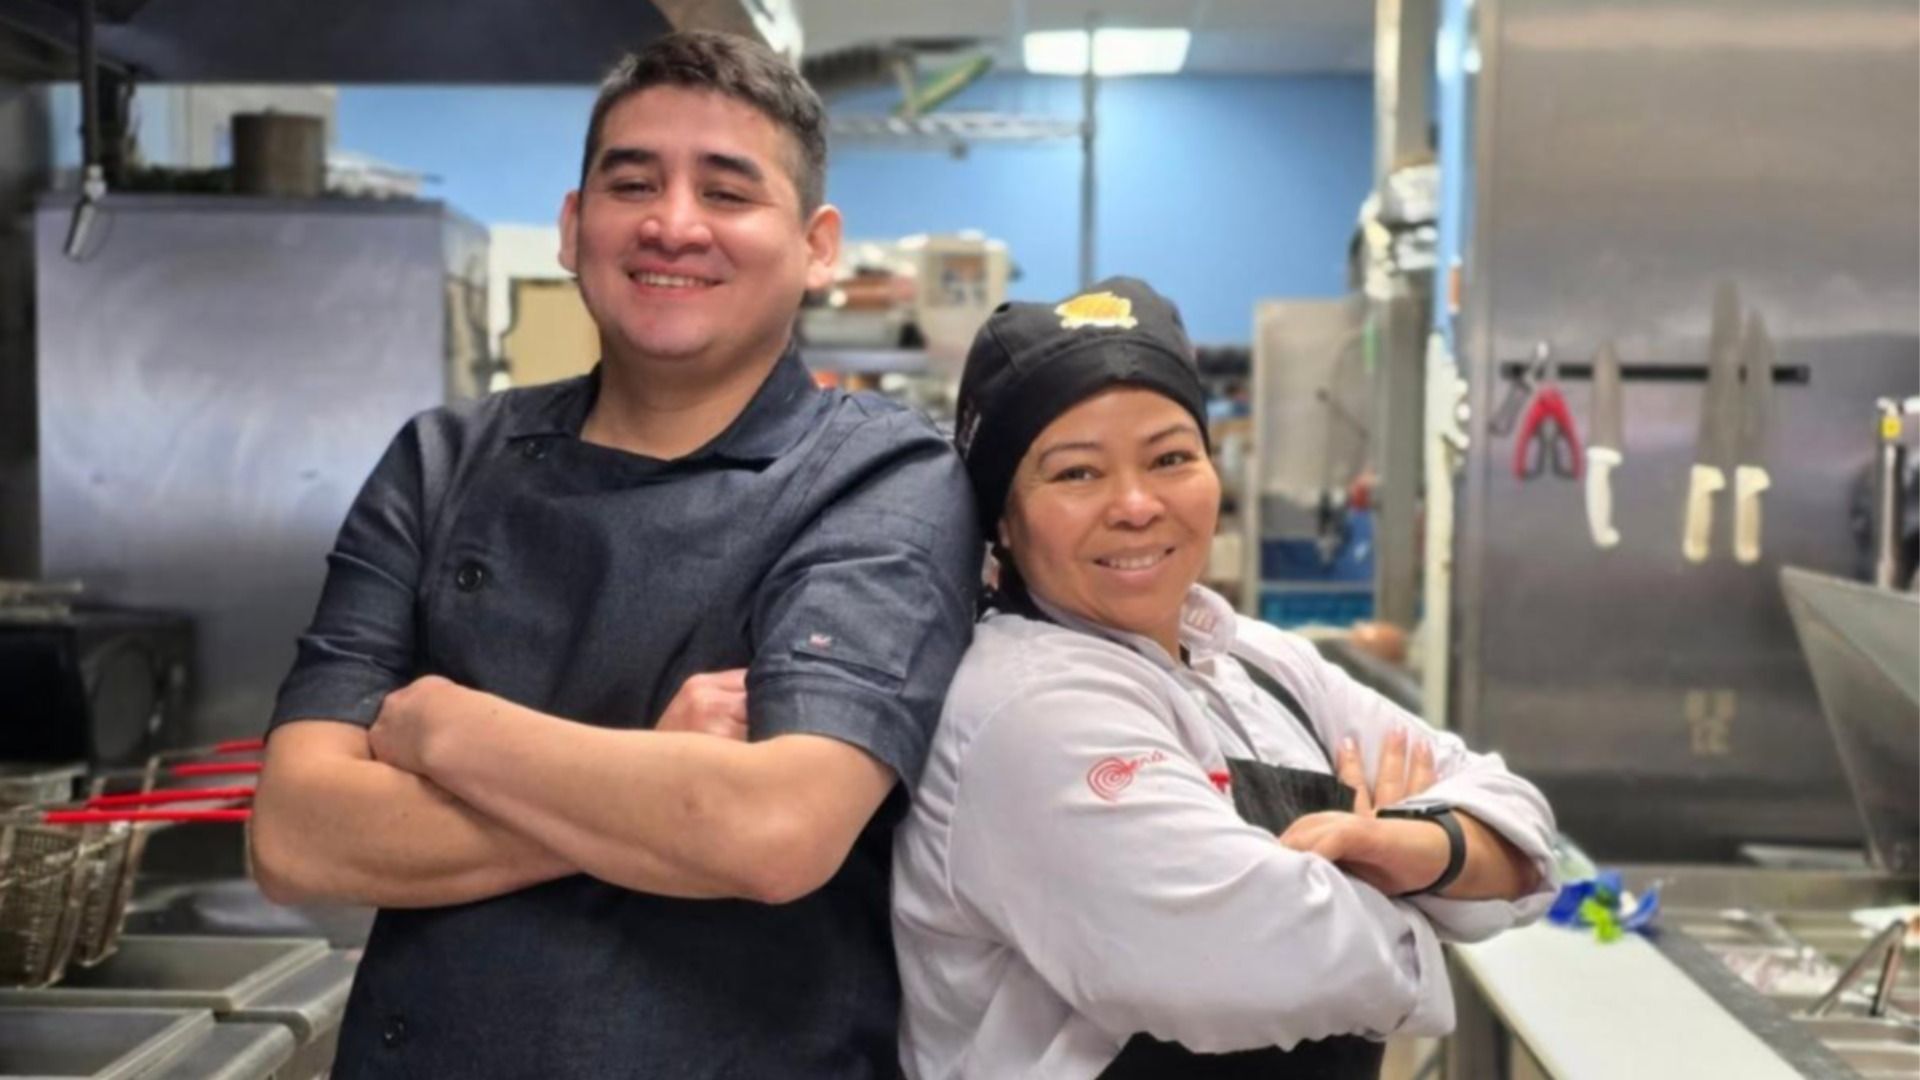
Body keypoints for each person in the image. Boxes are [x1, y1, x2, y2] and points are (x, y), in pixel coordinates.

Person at [248, 31, 979, 1078]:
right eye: (633, 182)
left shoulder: (881, 481)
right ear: (573, 225)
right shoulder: (440, 462)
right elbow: (299, 837)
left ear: (817, 245)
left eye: (728, 192)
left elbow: (773, 831)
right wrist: (656, 767)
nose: (673, 224)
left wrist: (447, 727)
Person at [891, 277, 1557, 1079]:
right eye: (1076, 474)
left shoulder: (1263, 663)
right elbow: (1240, 965)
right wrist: (1432, 891)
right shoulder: (1023, 710)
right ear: (1002, 516)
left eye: (1171, 457)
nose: (1137, 505)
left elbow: (1524, 828)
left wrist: (1401, 844)